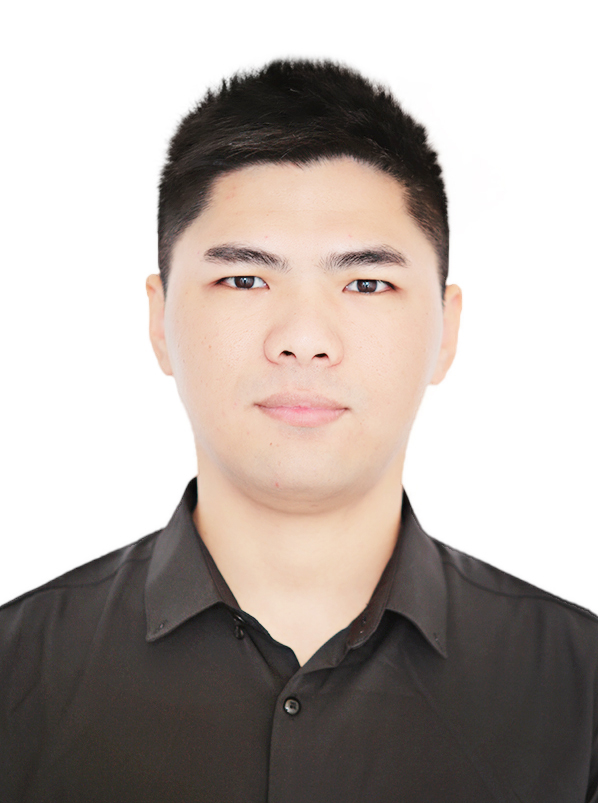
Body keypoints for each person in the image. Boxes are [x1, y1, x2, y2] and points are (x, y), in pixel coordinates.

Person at [1, 59, 596, 803]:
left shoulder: (579, 691)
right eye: (245, 279)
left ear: (446, 331)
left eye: (367, 282)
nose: (305, 339)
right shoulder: (16, 677)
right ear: (159, 320)